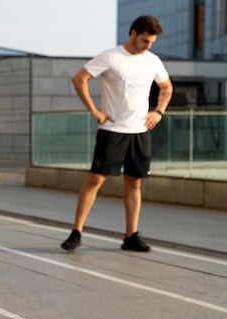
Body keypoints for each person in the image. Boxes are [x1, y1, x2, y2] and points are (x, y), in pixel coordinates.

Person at [61, 15, 173, 253]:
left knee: (134, 183)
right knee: (95, 180)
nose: (148, 46)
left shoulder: (152, 61)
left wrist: (159, 112)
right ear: (133, 33)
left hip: (140, 132)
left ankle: (131, 236)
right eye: (145, 40)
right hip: (112, 131)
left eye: (151, 42)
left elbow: (166, 87)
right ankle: (76, 232)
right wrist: (94, 110)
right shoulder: (110, 57)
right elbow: (79, 78)